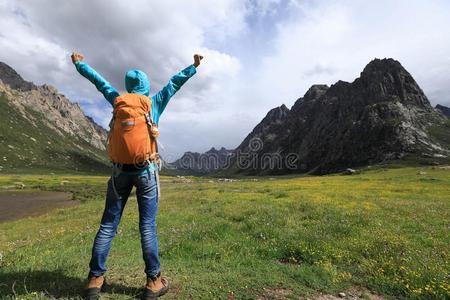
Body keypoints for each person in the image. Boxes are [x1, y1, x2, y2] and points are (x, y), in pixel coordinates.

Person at [71, 51, 203, 299]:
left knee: (108, 225)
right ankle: (153, 281)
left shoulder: (117, 101)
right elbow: (174, 83)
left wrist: (80, 65)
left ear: (128, 86)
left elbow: (100, 83)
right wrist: (193, 67)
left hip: (119, 173)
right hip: (146, 171)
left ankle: (94, 279)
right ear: (145, 86)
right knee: (147, 226)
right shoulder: (153, 103)